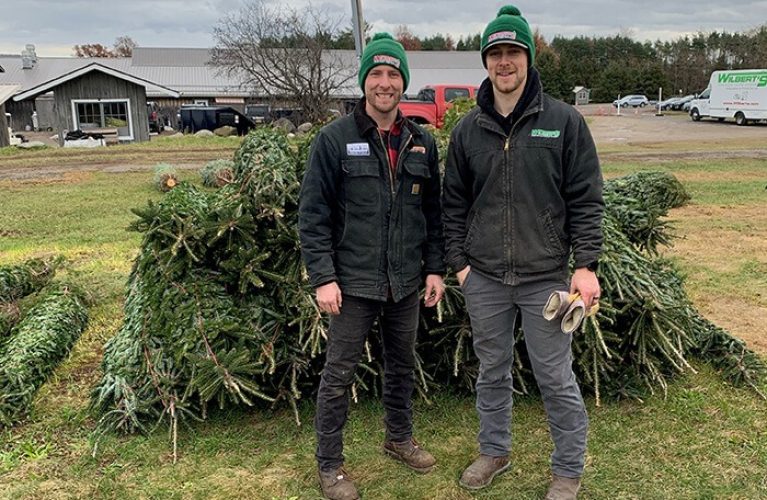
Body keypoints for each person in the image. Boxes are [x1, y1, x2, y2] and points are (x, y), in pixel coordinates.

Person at [442, 6, 604, 500]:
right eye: (496, 53)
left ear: (528, 59)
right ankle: (495, 451)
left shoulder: (563, 121)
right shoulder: (469, 131)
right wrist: (462, 268)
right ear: (486, 62)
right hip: (485, 278)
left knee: (554, 376)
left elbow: (586, 197)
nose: (504, 61)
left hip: (546, 279)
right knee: (491, 369)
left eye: (513, 52)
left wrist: (585, 265)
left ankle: (567, 471)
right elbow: (452, 205)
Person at [298, 32, 446, 500]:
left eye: (393, 74)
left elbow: (435, 215)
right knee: (338, 375)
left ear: (403, 83)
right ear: (364, 82)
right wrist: (323, 277)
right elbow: (313, 215)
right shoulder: (334, 140)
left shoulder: (421, 142)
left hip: (405, 281)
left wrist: (434, 269)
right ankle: (329, 465)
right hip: (353, 282)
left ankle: (398, 438)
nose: (385, 83)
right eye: (376, 74)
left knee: (402, 365)